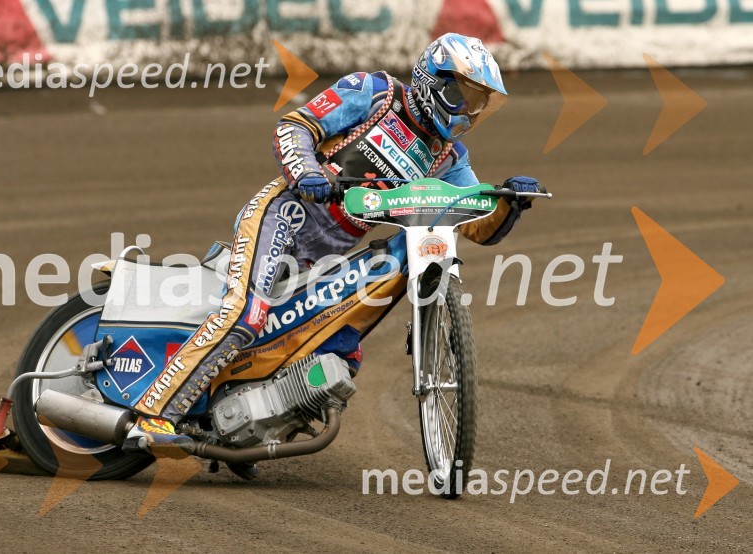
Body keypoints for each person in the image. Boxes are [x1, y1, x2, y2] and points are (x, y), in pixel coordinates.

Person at [124, 33, 545, 456]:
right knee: (246, 316)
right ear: (433, 82)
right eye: (463, 95)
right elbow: (295, 126)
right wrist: (306, 172)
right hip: (282, 218)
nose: (469, 110)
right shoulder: (375, 92)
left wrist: (508, 203)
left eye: (478, 102)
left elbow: (475, 223)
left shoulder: (449, 158)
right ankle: (153, 414)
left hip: (324, 258)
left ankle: (235, 431)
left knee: (336, 351)